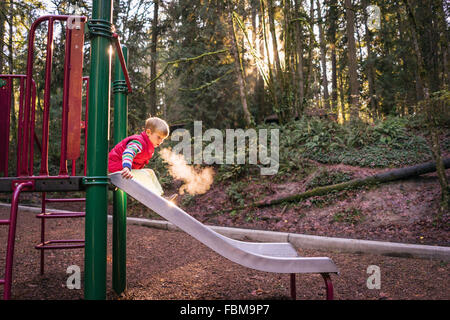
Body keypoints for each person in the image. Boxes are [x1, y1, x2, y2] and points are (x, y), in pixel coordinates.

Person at [108, 116, 177, 202]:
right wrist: (126, 167)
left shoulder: (147, 145)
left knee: (150, 172)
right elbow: (128, 152)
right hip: (116, 169)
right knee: (145, 174)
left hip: (122, 169)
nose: (160, 141)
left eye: (163, 139)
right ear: (148, 132)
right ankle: (156, 198)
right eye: (159, 137)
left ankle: (160, 196)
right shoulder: (139, 142)